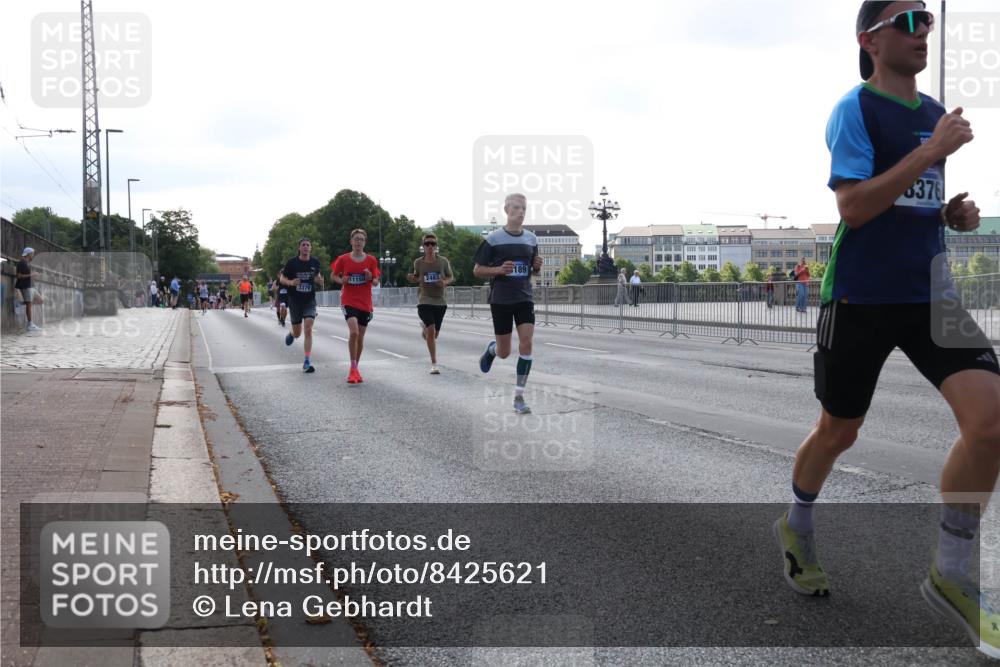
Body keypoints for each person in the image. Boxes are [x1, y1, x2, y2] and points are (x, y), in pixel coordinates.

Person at [773, 2, 1000, 657]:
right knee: (838, 430)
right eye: (907, 21)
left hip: (930, 294)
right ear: (868, 39)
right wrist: (931, 152)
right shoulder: (856, 109)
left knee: (991, 423)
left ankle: (951, 572)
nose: (922, 30)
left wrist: (952, 212)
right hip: (861, 295)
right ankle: (798, 524)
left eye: (927, 19)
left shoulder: (933, 114)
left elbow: (912, 203)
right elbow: (855, 205)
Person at [474, 193, 543, 415]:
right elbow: (477, 270)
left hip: (524, 298)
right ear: (506, 210)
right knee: (505, 352)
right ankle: (492, 350)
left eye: (524, 208)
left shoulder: (531, 239)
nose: (521, 212)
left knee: (527, 343)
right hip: (501, 300)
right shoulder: (493, 239)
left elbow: (532, 269)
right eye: (516, 208)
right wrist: (498, 270)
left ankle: (519, 396)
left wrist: (537, 266)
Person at [331, 229, 380, 384]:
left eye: (362, 239)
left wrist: (370, 277)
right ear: (351, 241)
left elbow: (376, 281)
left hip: (365, 302)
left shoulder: (371, 260)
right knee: (354, 332)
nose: (359, 242)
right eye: (356, 239)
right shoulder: (343, 259)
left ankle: (355, 368)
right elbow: (333, 275)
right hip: (349, 300)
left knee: (360, 337)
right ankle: (352, 368)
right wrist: (342, 281)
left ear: (365, 242)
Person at [406, 232, 453, 374]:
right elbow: (416, 277)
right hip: (424, 299)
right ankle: (434, 363)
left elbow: (451, 277)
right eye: (427, 244)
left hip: (440, 301)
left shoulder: (443, 261)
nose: (430, 246)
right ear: (423, 246)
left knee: (434, 334)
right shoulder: (418, 262)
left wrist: (444, 282)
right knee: (432, 330)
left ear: (436, 246)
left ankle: (425, 330)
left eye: (433, 244)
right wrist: (412, 278)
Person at [281, 238, 324, 373]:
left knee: (308, 328)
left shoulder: (315, 262)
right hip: (295, 301)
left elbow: (319, 278)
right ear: (299, 248)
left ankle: (307, 360)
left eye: (308, 245)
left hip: (309, 300)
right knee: (298, 333)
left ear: (310, 248)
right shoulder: (292, 263)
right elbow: (282, 279)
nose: (305, 247)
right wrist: (291, 282)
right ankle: (292, 333)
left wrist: (320, 280)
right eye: (303, 245)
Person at [15, 247, 41, 332]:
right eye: (32, 253)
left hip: (30, 286)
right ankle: (30, 325)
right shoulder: (22, 263)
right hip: (25, 286)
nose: (33, 255)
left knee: (40, 300)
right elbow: (18, 276)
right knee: (29, 305)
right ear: (28, 254)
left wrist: (32, 276)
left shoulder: (27, 263)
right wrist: (31, 275)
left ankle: (23, 304)